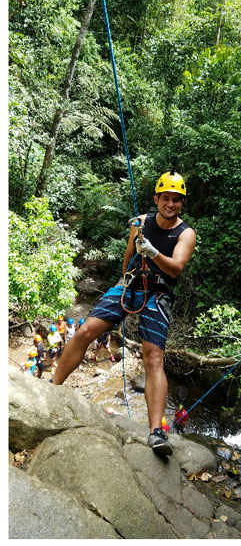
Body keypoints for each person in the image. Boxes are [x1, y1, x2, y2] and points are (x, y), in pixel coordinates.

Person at [51, 169, 196, 456]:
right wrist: (123, 282)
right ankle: (52, 387)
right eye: (166, 198)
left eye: (176, 200)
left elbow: (177, 267)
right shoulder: (140, 223)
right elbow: (129, 255)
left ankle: (156, 432)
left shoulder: (186, 233)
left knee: (153, 355)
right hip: (130, 284)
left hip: (158, 293)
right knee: (85, 331)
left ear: (182, 203)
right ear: (156, 198)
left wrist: (153, 253)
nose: (171, 204)